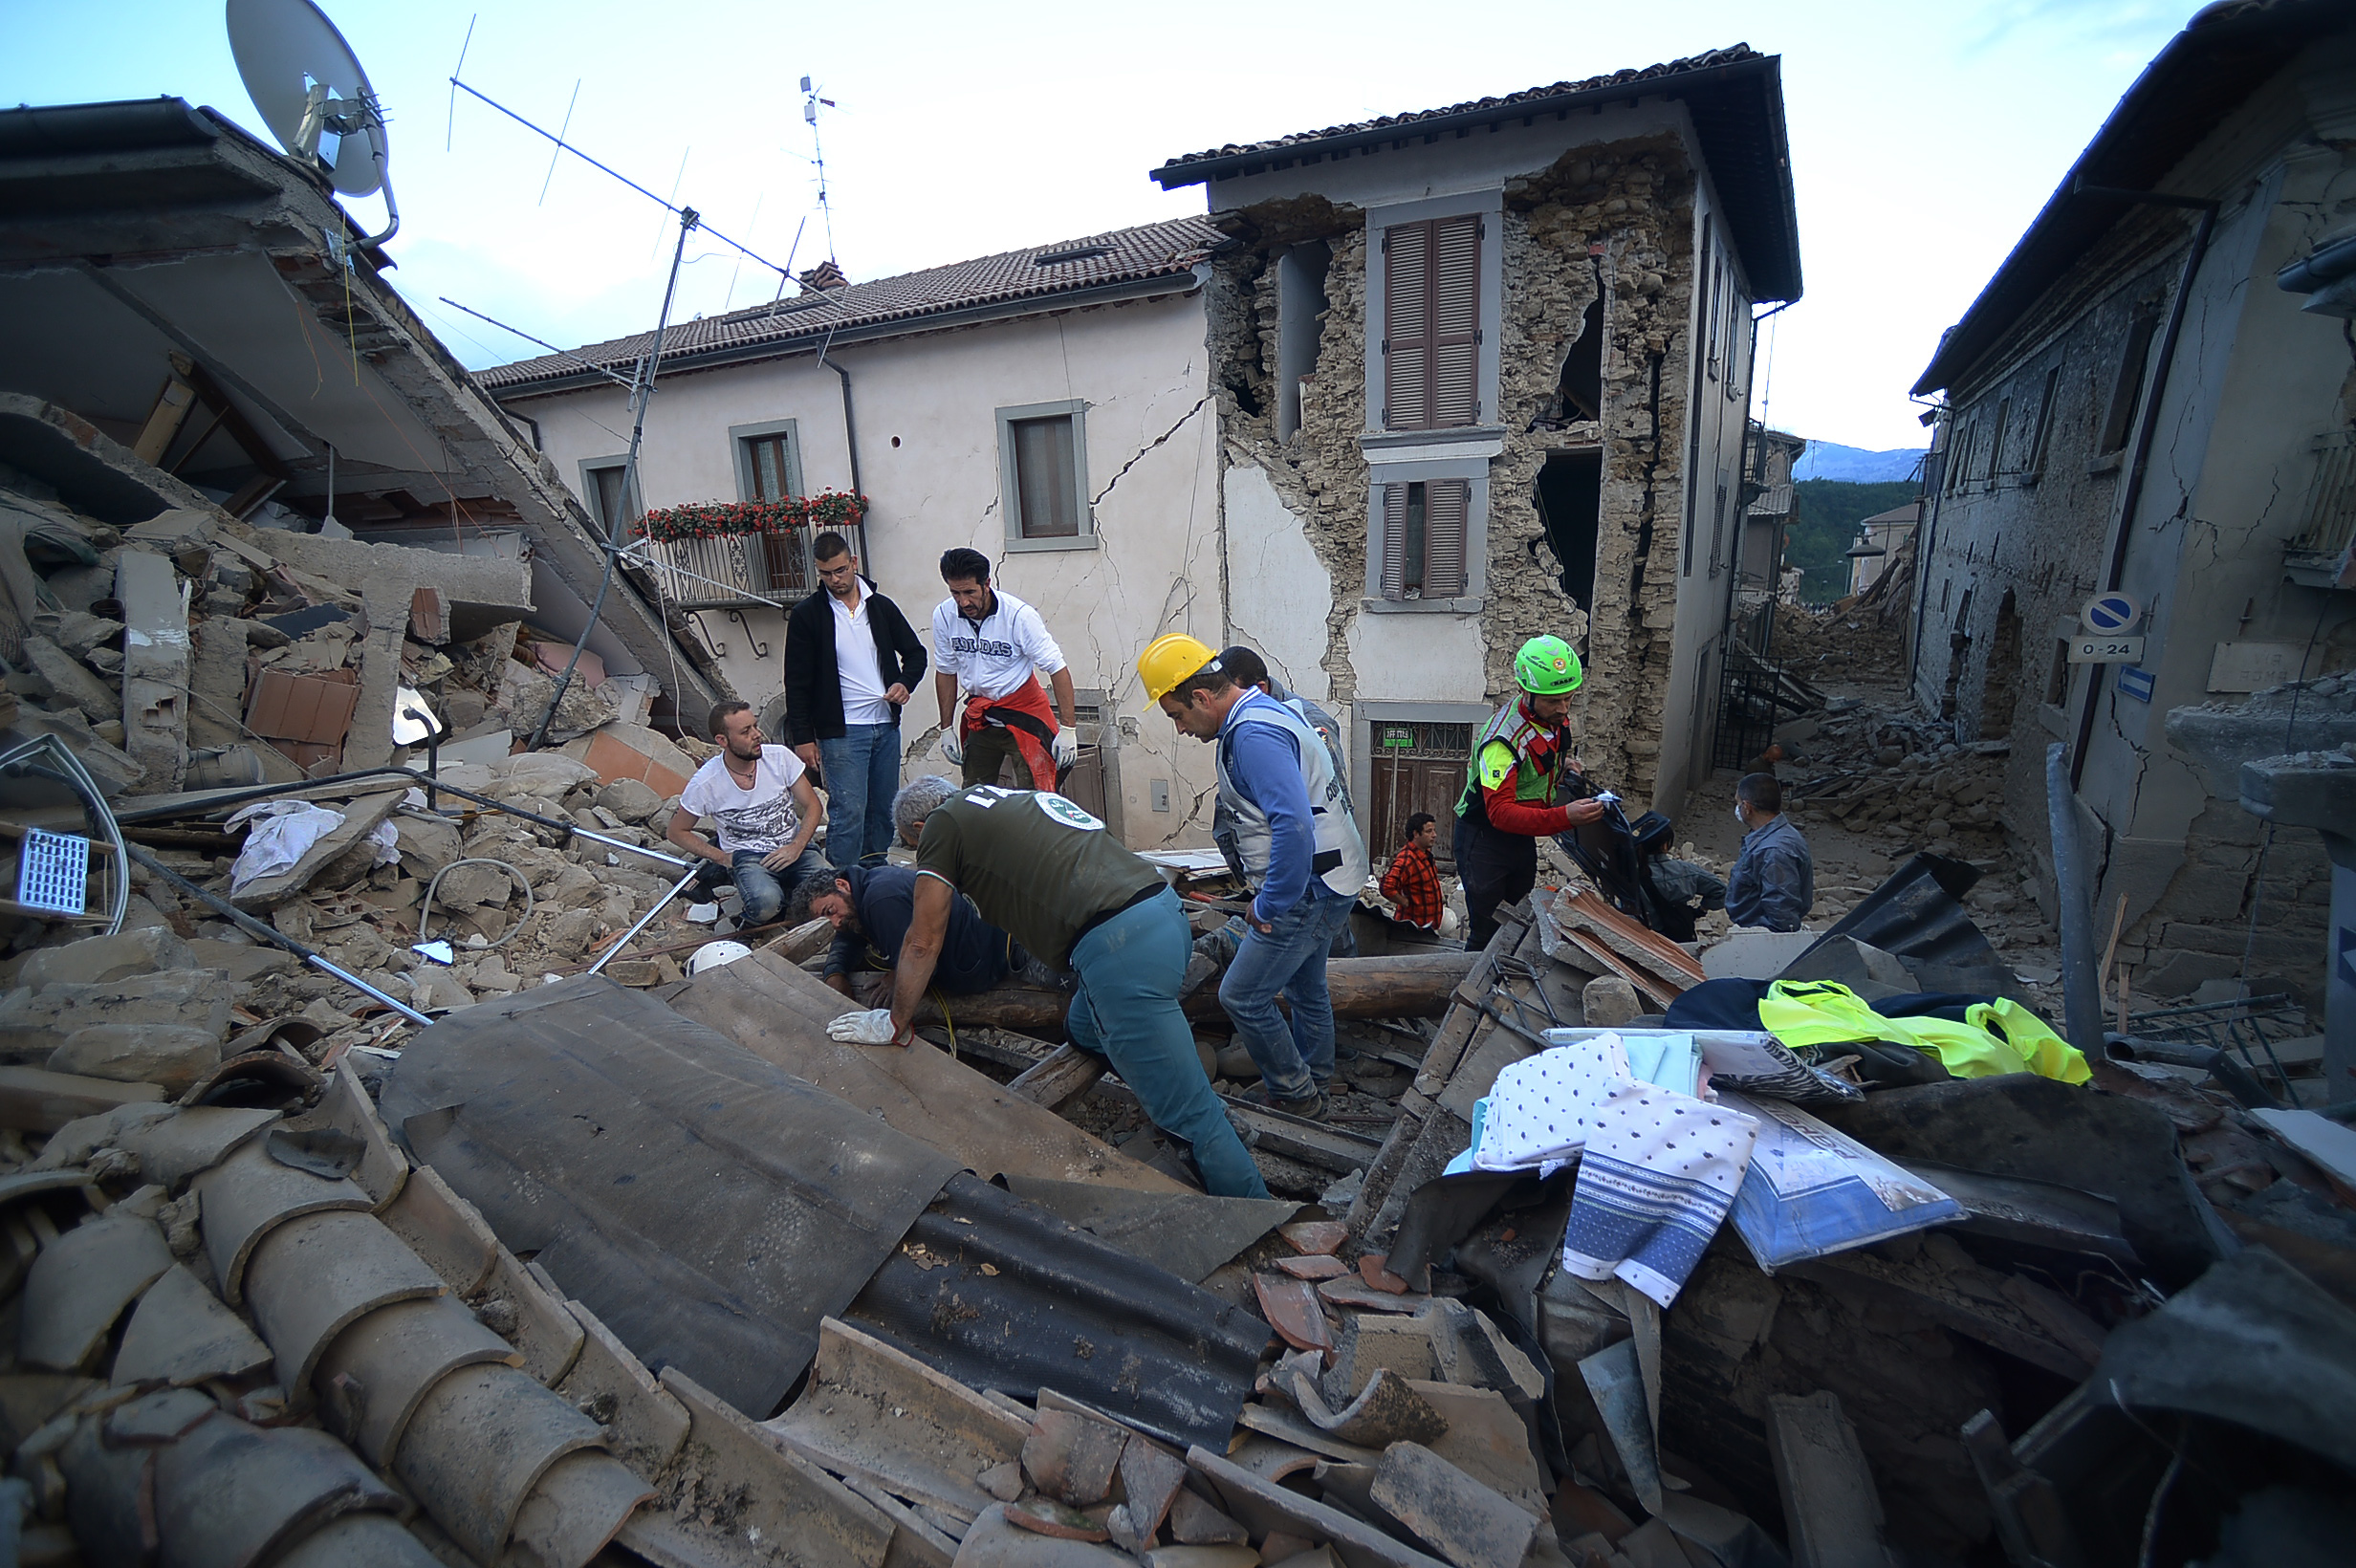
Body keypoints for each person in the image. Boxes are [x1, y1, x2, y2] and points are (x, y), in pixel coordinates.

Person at [826, 776, 1270, 1201]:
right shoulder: (1003, 799)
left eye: (914, 846)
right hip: (1162, 910)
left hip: (1119, 950)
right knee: (1083, 1026)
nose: (919, 858)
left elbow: (923, 940)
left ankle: (1260, 1215)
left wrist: (895, 1020)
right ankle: (1173, 1075)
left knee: (1188, 1115)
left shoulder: (944, 824)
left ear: (922, 828)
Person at [1140, 634, 1368, 1122]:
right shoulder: (1266, 710)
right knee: (1308, 989)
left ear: (1201, 697)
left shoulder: (1252, 736)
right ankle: (1317, 1085)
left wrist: (1269, 905)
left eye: (1178, 716)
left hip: (1308, 887)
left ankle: (1295, 1094)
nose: (1180, 730)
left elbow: (1293, 824)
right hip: (1333, 876)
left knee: (1241, 996)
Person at [780, 531, 927, 870]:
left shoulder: (881, 606)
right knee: (848, 811)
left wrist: (905, 684)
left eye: (841, 570)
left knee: (884, 810)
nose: (835, 579)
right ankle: (842, 885)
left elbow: (916, 654)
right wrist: (803, 738)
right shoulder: (808, 615)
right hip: (842, 731)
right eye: (826, 574)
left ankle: (875, 879)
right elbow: (797, 682)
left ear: (854, 563)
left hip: (885, 725)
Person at [1453, 635, 1607, 953]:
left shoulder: (1550, 717)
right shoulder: (1501, 742)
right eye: (1553, 701)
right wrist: (1565, 817)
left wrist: (1565, 764)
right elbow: (1500, 813)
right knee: (1487, 931)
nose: (1563, 708)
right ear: (1527, 691)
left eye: (1568, 698)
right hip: (1485, 841)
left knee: (1519, 918)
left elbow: (1542, 757)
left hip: (1521, 835)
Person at [666, 700, 827, 926]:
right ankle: (750, 925)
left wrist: (797, 846)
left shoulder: (779, 757)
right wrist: (722, 858)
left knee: (833, 889)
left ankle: (793, 898)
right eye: (746, 731)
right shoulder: (707, 782)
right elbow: (676, 831)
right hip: (749, 857)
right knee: (765, 904)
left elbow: (813, 805)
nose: (757, 735)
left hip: (794, 846)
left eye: (755, 726)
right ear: (722, 741)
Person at [788, 863, 1057, 999]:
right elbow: (848, 938)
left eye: (829, 911)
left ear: (841, 885)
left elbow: (921, 962)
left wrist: (897, 981)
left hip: (989, 962)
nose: (835, 923)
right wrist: (835, 972)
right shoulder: (862, 892)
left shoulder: (880, 900)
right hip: (984, 950)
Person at [930, 548, 1079, 790]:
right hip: (982, 716)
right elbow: (946, 670)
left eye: (969, 592)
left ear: (986, 584)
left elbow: (1057, 667)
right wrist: (945, 728)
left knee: (1036, 798)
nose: (963, 602)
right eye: (955, 593)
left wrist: (1068, 729)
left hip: (1023, 714)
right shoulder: (944, 615)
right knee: (975, 795)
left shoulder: (1019, 616)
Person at [1726, 772, 1815, 932]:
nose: (1737, 809)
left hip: (1760, 939)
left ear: (1747, 808)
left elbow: (1781, 915)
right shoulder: (1770, 835)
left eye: (1738, 803)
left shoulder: (1775, 852)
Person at [1381, 813, 1445, 934]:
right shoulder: (1407, 859)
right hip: (1412, 930)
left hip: (1427, 928)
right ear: (1416, 834)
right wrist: (1404, 902)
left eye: (1434, 831)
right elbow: (1386, 887)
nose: (1434, 835)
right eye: (1429, 831)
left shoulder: (1425, 855)